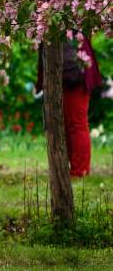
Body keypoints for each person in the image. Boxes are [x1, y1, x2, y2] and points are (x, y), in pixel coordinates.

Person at [37, 35, 103, 177]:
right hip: (65, 74)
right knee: (67, 124)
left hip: (75, 74)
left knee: (76, 123)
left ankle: (80, 171)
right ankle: (74, 169)